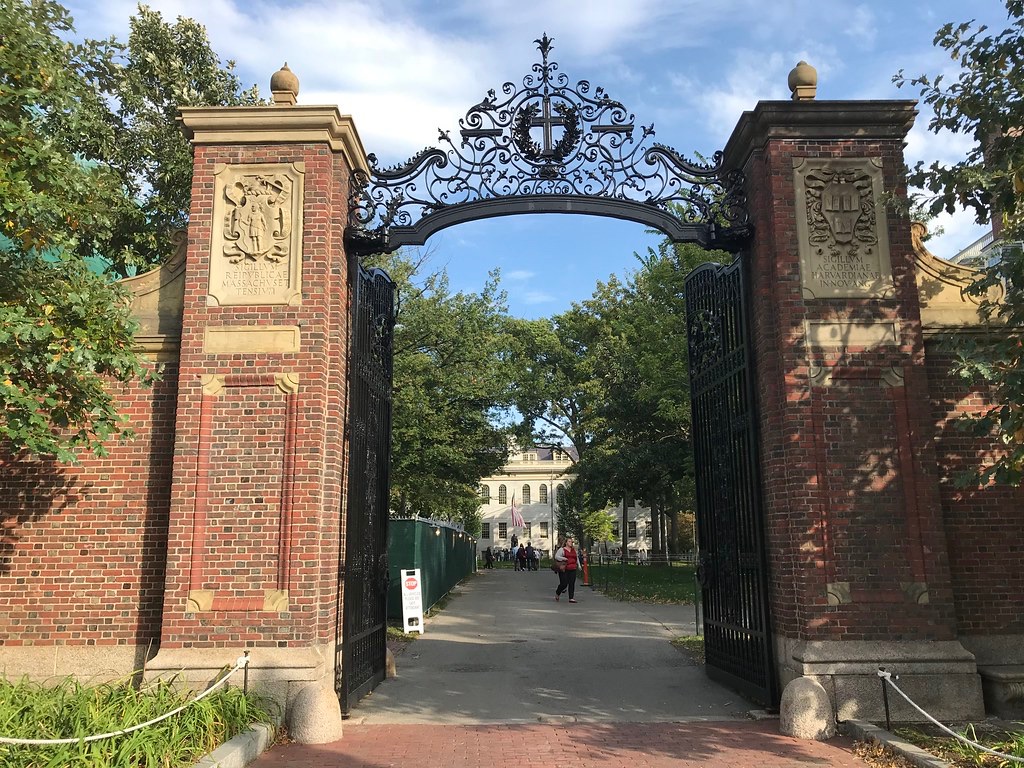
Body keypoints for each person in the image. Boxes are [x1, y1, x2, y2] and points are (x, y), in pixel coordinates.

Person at [554, 536, 579, 603]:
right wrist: (564, 558)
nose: (571, 543)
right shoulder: (562, 549)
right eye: (569, 541)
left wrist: (579, 565)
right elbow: (556, 557)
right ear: (566, 543)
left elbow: (576, 557)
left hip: (573, 568)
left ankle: (571, 598)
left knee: (572, 583)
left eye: (571, 542)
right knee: (564, 583)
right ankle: (558, 592)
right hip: (564, 568)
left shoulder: (573, 550)